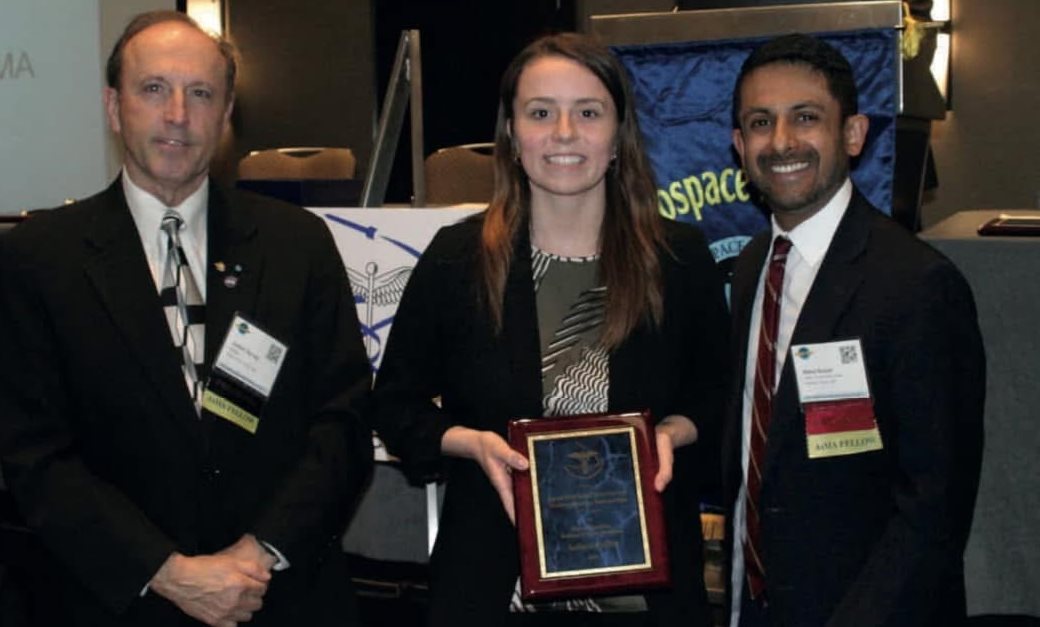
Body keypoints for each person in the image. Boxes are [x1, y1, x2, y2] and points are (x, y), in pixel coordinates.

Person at [0, 11, 373, 627]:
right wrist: (168, 572)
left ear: (226, 116)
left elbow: (344, 420)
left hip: (280, 596)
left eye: (201, 93)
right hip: (117, 600)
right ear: (114, 107)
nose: (178, 114)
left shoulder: (296, 245)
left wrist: (257, 556)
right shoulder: (39, 259)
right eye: (154, 89)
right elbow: (35, 456)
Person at [372, 32, 730, 627]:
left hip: (647, 597)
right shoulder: (458, 259)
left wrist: (672, 433)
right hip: (491, 590)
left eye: (588, 112)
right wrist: (471, 443)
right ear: (511, 135)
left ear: (619, 136)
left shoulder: (679, 258)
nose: (564, 132)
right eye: (541, 112)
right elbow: (394, 404)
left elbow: (721, 398)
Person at [724, 33, 984, 627]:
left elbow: (934, 507)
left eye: (806, 118)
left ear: (854, 134)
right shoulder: (751, 267)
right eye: (760, 122)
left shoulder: (917, 286)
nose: (782, 141)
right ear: (739, 145)